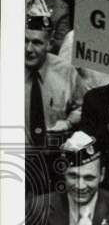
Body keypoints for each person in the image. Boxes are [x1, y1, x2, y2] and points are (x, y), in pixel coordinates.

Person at [25, 13, 85, 193]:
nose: (28, 48)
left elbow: (81, 107)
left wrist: (67, 122)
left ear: (50, 44)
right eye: (24, 40)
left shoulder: (66, 72)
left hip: (54, 164)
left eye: (37, 42)